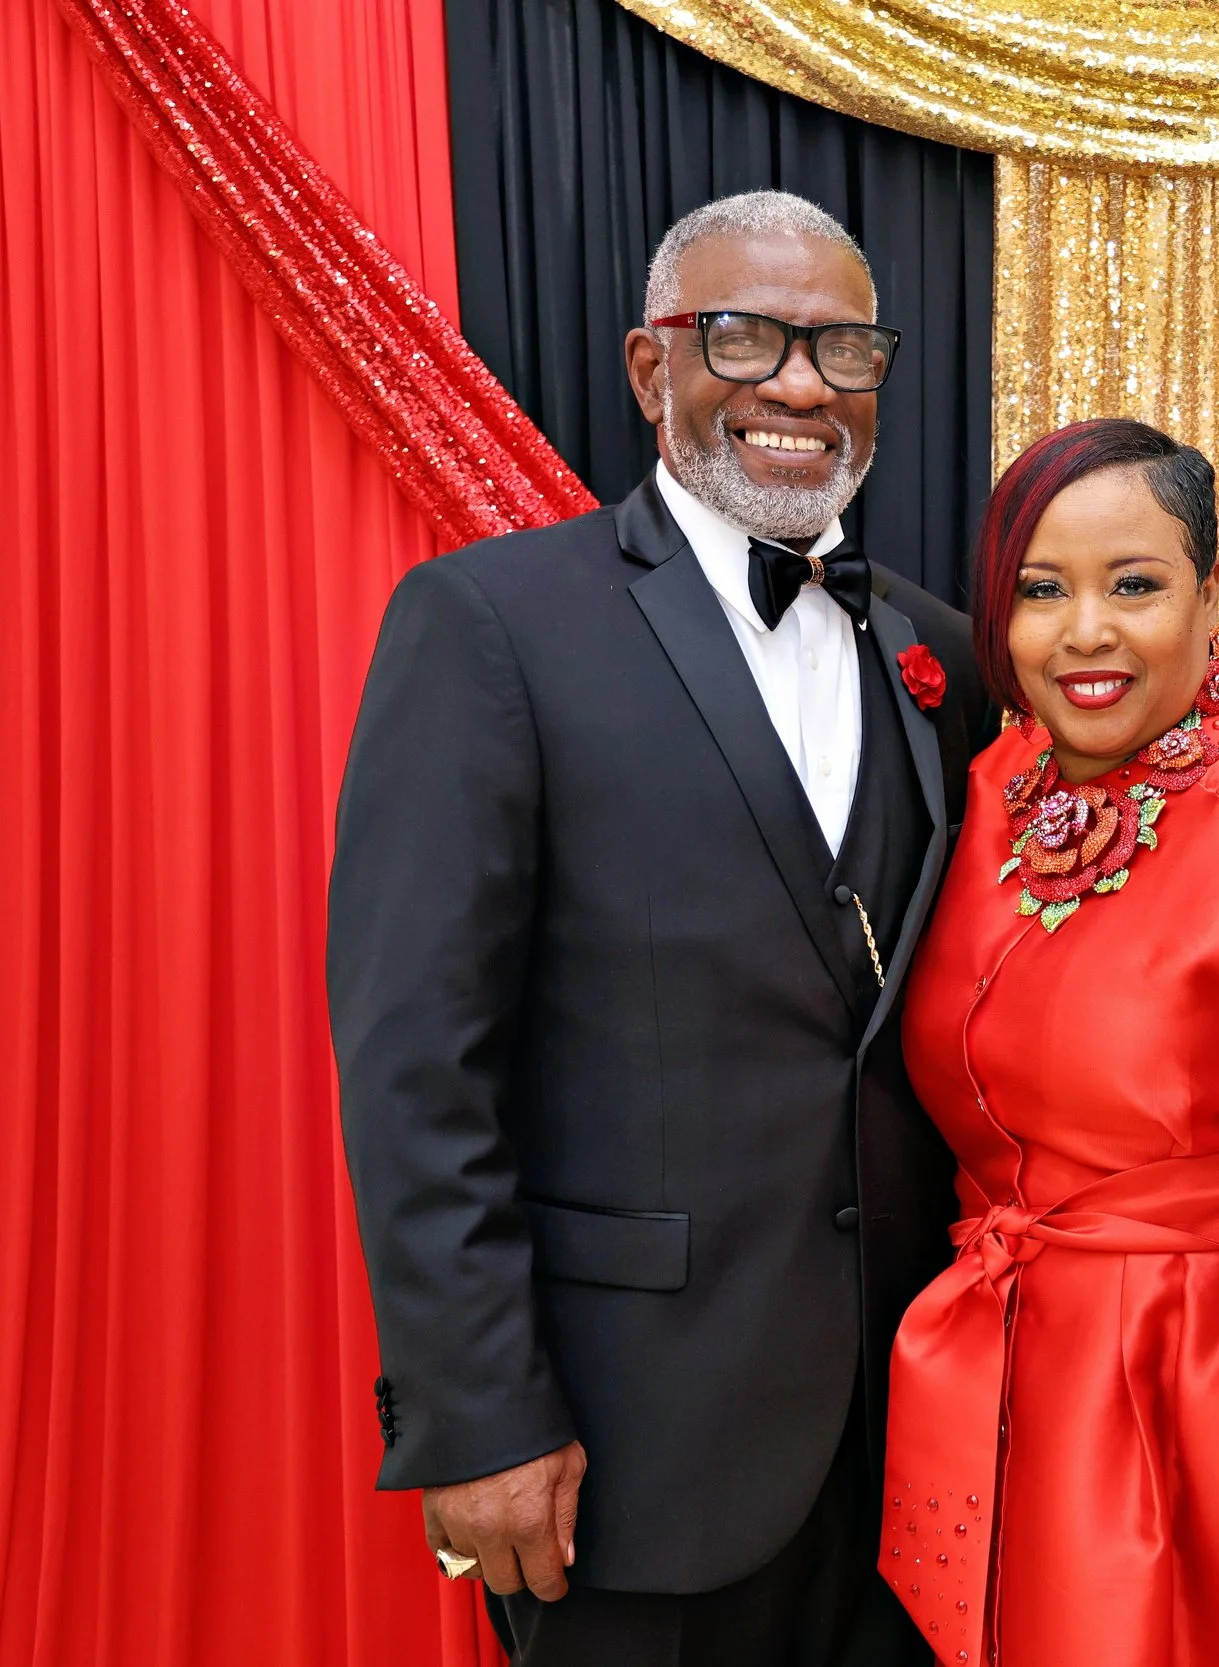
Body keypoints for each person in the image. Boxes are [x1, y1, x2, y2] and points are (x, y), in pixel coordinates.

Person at [328, 190, 995, 1666]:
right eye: (746, 336)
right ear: (651, 370)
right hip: (625, 1451)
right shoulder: (491, 624)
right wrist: (481, 1412)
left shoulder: (938, 650)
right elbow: (416, 1062)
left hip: (911, 1453)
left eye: (843, 347)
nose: (802, 384)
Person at [876, 419, 1219, 1667]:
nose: (1086, 633)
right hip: (1015, 1366)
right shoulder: (1001, 780)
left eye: (1136, 586)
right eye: (1040, 591)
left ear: (1211, 595)